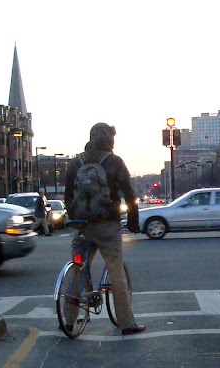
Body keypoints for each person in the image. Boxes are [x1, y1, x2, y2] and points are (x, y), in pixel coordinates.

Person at [64, 122, 146, 336]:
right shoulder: (114, 162)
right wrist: (133, 221)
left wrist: (76, 219)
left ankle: (69, 319)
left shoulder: (76, 162)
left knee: (77, 269)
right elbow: (129, 194)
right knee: (116, 272)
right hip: (108, 225)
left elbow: (68, 196)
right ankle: (126, 323)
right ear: (109, 139)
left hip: (83, 226)